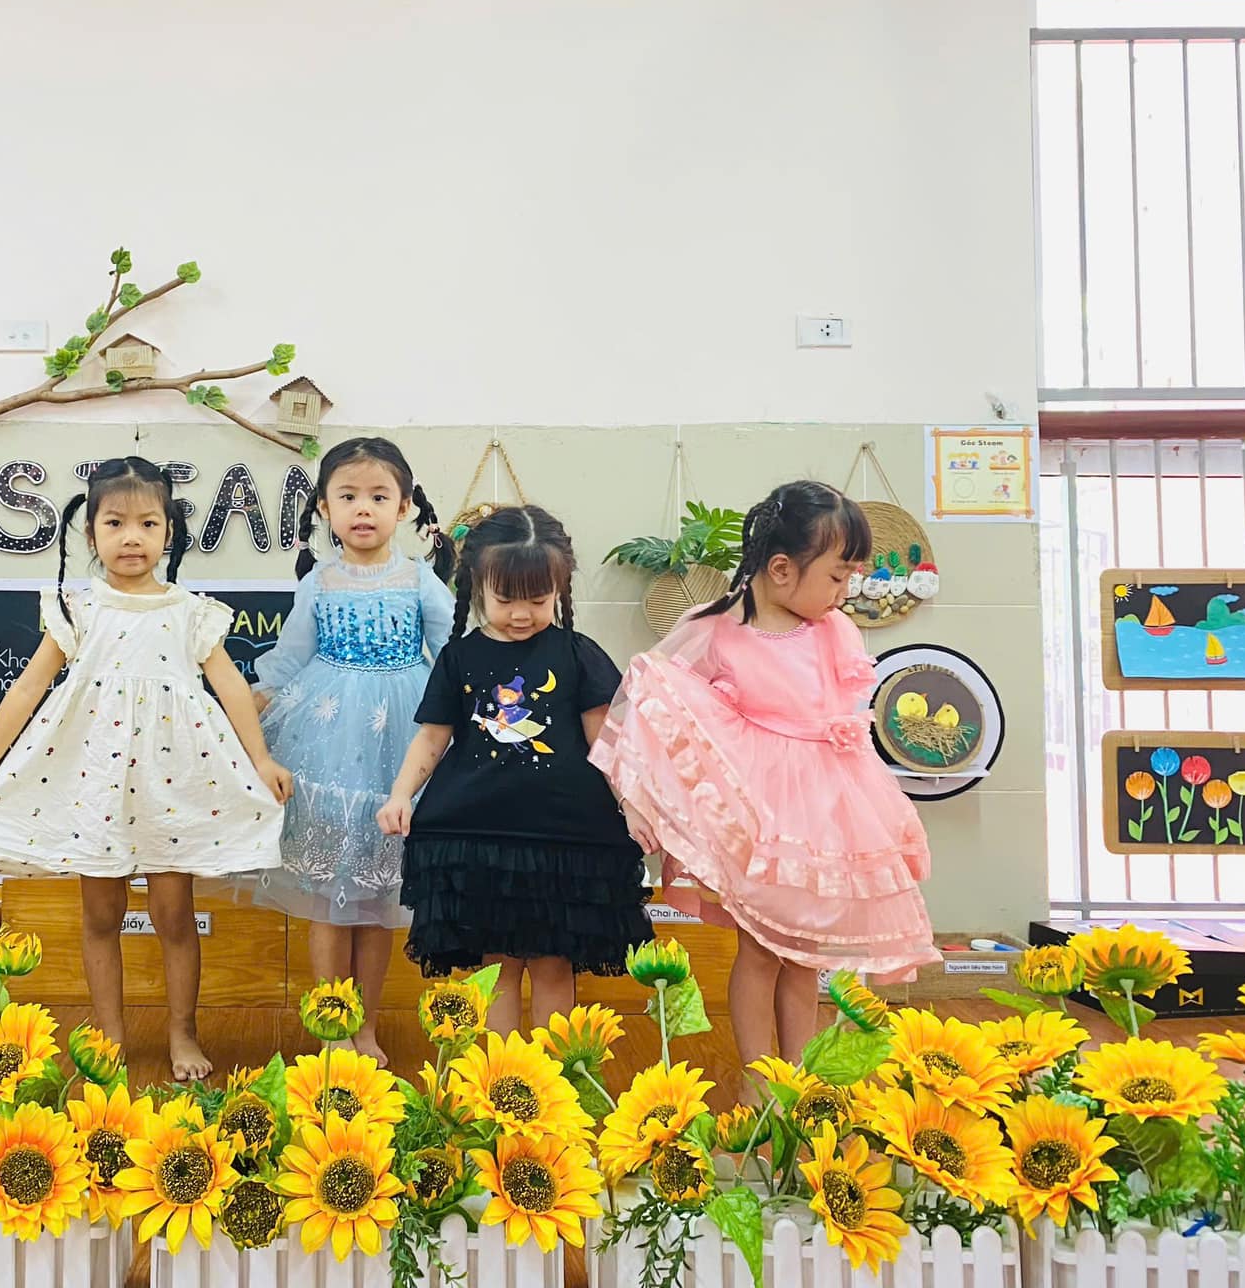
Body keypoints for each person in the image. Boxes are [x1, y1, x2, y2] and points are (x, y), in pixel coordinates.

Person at [0, 456, 292, 1080]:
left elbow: (231, 688)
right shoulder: (78, 610)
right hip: (95, 785)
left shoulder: (192, 612)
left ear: (169, 532)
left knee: (174, 914)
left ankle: (182, 1032)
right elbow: (26, 690)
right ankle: (108, 1036)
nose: (131, 537)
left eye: (147, 524)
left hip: (172, 785)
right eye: (115, 523)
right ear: (91, 534)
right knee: (101, 914)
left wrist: (261, 758)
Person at [591, 479, 936, 1076]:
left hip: (824, 816)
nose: (844, 593)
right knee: (760, 950)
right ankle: (758, 1076)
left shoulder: (834, 630)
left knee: (804, 956)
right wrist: (638, 799)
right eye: (837, 577)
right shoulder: (717, 628)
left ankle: (794, 1074)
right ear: (781, 569)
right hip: (758, 820)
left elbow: (840, 718)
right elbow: (654, 694)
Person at [378, 504, 651, 1036]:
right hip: (479, 840)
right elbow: (432, 737)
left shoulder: (579, 655)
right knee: (497, 967)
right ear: (477, 585)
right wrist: (400, 794)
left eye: (538, 599)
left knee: (553, 966)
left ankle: (555, 1076)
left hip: (566, 840)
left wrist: (633, 806)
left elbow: (607, 741)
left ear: (560, 588)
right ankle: (498, 1073)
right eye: (506, 599)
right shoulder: (458, 658)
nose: (522, 613)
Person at [249, 437, 455, 1060]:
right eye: (348, 496)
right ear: (324, 507)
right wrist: (245, 710)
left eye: (378, 497)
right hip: (325, 739)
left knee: (378, 901)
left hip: (400, 740)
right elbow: (289, 659)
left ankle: (365, 1024)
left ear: (405, 508)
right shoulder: (319, 582)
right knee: (327, 899)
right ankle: (332, 1026)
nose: (363, 509)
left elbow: (452, 657)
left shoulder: (420, 581)